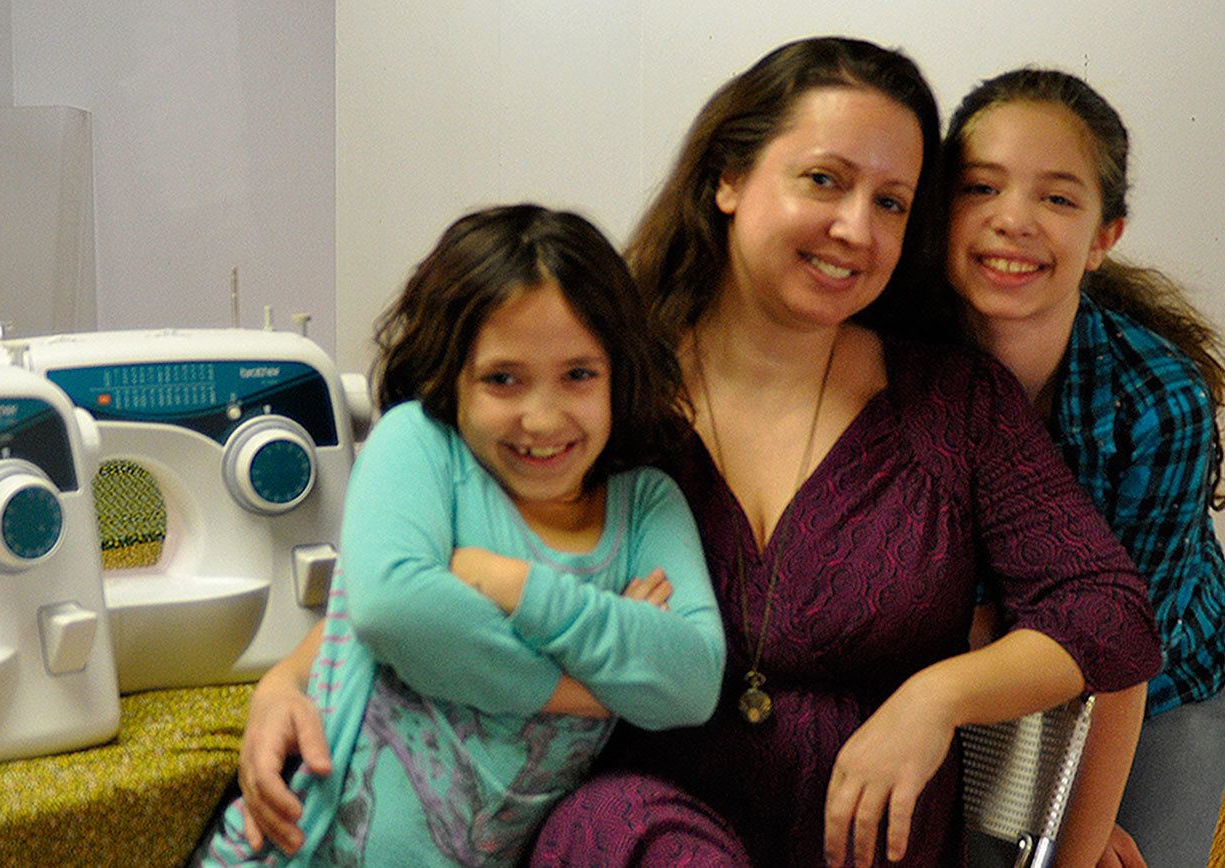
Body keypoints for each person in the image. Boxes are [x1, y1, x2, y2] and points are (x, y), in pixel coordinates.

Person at [229, 38, 1162, 867]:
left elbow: (1108, 613)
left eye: (892, 203)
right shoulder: (597, 385)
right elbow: (443, 546)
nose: (857, 230)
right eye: (825, 181)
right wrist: (295, 673)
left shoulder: (951, 406)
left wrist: (937, 697)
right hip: (629, 829)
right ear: (727, 178)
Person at [196, 204, 725, 865]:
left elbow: (693, 681)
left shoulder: (647, 505)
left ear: (621, 372)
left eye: (579, 375)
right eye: (502, 379)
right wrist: (592, 687)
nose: (541, 417)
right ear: (450, 375)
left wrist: (511, 584)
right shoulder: (420, 445)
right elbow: (394, 609)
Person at [944, 68, 1225, 867]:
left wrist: (1081, 837)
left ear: (1105, 236)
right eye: (981, 187)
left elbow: (1125, 651)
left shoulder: (1159, 399)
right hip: (974, 675)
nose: (1013, 219)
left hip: (1150, 689)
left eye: (1059, 199)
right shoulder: (891, 366)